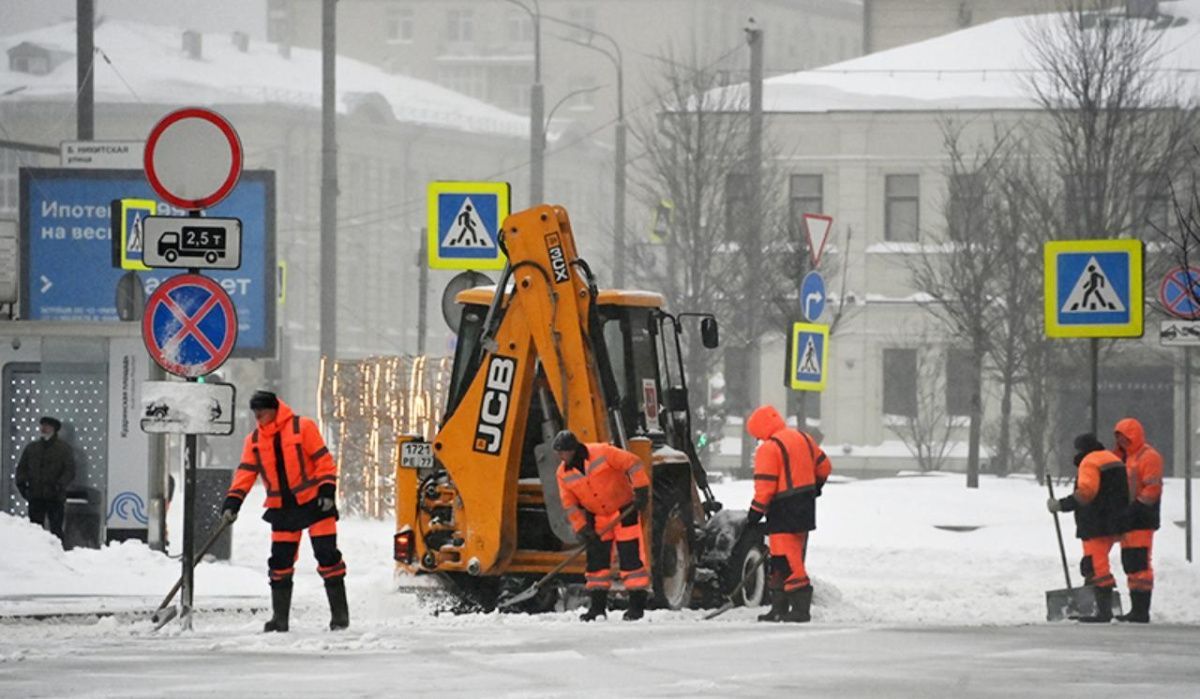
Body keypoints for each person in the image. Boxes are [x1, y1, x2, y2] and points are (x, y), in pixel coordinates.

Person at [221, 391, 348, 632]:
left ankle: (340, 618)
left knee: (327, 556)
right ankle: (280, 620)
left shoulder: (303, 427)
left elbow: (323, 461)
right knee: (280, 562)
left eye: (262, 411)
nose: (258, 416)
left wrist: (327, 491)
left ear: (274, 409)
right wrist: (232, 503)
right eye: (255, 412)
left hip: (316, 504)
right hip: (282, 510)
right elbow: (245, 474)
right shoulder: (254, 440)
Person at [553, 429, 651, 622]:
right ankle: (597, 608)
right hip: (597, 518)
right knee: (596, 564)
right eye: (559, 453)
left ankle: (636, 607)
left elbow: (633, 463)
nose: (561, 457)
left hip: (624, 512)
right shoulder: (563, 473)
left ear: (573, 449)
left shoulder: (602, 452)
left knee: (630, 559)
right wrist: (581, 528)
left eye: (563, 452)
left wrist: (641, 489)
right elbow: (569, 504)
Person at [745, 405, 831, 623]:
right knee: (785, 556)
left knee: (787, 559)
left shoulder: (769, 449)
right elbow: (824, 467)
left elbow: (766, 486)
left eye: (757, 435)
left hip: (783, 509)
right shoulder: (804, 438)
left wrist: (755, 513)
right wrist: (815, 487)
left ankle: (800, 609)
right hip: (805, 507)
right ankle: (779, 609)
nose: (758, 440)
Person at [1047, 433, 1130, 623]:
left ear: (1081, 449)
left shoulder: (1090, 461)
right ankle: (1093, 604)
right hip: (1115, 521)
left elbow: (1086, 492)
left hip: (1096, 522)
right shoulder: (1113, 459)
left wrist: (1061, 505)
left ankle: (1103, 612)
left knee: (1097, 566)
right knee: (1091, 564)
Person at [1113, 418, 1162, 623]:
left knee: (1140, 563)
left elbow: (1152, 489)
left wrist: (1135, 508)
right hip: (1129, 517)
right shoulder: (1126, 457)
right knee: (1131, 564)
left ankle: (1141, 610)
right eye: (1118, 438)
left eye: (1124, 437)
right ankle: (1136, 609)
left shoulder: (1148, 456)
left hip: (1142, 517)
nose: (1121, 441)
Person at [15, 416, 76, 544]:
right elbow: (22, 468)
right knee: (35, 530)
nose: (43, 428)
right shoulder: (31, 448)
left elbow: (70, 471)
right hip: (36, 496)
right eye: (42, 426)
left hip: (55, 497)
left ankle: (56, 553)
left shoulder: (63, 449)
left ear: (54, 429)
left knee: (56, 530)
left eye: (47, 426)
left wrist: (59, 485)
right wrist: (22, 486)